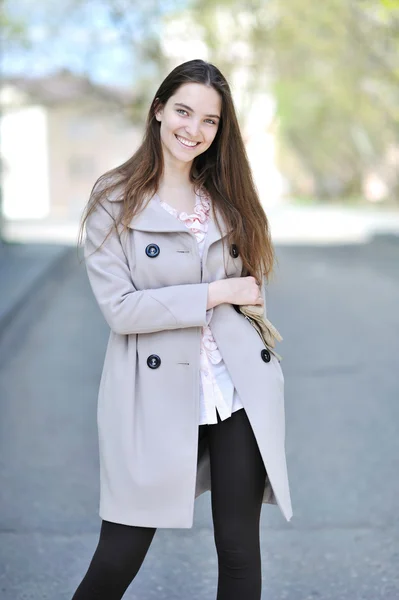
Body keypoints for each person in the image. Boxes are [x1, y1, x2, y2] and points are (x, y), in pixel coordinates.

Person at [72, 58, 292, 600]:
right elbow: (122, 310)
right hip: (153, 396)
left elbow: (248, 287)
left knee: (240, 556)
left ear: (220, 131)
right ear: (158, 111)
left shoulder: (223, 198)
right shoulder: (114, 201)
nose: (193, 129)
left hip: (232, 392)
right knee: (118, 555)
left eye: (210, 121)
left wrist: (244, 293)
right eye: (183, 111)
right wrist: (217, 293)